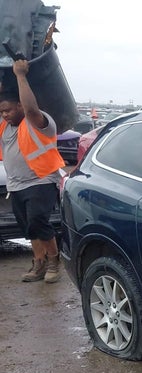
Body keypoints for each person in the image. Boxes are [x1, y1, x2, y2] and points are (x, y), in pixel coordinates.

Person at [0, 58, 66, 283]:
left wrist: (20, 75)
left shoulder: (38, 121)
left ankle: (54, 261)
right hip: (16, 184)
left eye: (8, 110)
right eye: (2, 112)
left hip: (41, 180)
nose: (5, 115)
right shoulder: (4, 126)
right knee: (29, 228)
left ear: (19, 106)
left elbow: (30, 107)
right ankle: (39, 263)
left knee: (38, 220)